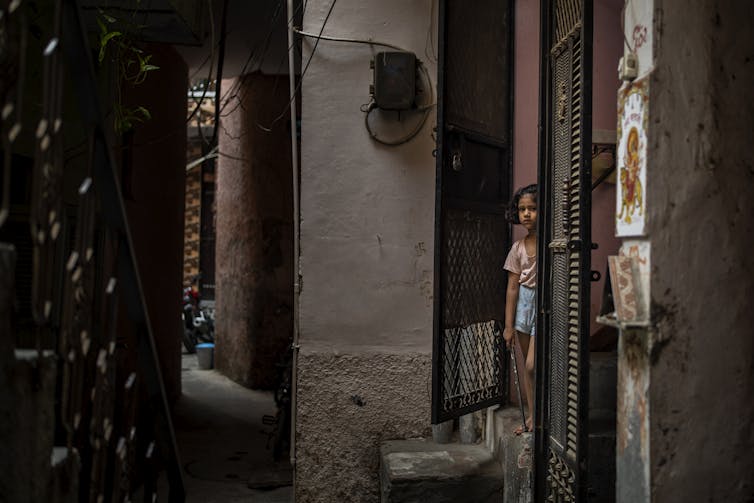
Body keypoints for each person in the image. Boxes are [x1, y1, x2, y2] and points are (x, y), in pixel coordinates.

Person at [503, 184, 538, 434]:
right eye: (522, 209)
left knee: (532, 365)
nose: (526, 214)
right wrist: (508, 326)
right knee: (528, 369)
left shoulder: (551, 244)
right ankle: (533, 417)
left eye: (533, 208)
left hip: (545, 307)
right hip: (524, 310)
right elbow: (512, 288)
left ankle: (543, 416)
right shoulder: (518, 248)